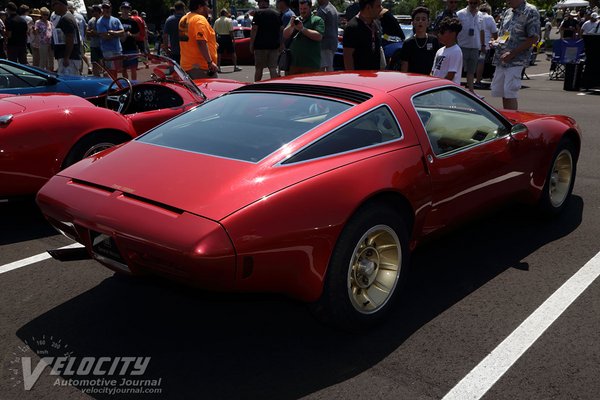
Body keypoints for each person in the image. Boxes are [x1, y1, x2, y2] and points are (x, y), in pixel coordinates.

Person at [490, 0, 539, 110]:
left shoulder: (530, 11)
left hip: (516, 60)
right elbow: (504, 34)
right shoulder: (508, 12)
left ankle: (513, 123)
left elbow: (534, 37)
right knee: (502, 92)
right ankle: (508, 119)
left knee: (510, 92)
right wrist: (496, 42)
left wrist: (512, 53)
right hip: (502, 58)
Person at [178, 0, 218, 78]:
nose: (208, 9)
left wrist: (212, 45)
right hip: (201, 67)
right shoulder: (200, 19)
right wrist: (209, 62)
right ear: (200, 7)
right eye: (207, 6)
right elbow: (201, 42)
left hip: (186, 66)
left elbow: (187, 41)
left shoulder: (183, 20)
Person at [283, 0, 324, 75]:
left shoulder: (317, 20)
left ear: (310, 8)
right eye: (300, 9)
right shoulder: (296, 19)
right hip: (294, 63)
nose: (302, 11)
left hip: (311, 64)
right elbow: (285, 35)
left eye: (305, 9)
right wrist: (291, 26)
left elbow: (319, 36)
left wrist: (302, 29)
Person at [343, 0, 383, 70]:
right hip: (359, 77)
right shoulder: (352, 27)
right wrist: (352, 77)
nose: (381, 9)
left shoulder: (377, 24)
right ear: (368, 7)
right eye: (378, 6)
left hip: (375, 76)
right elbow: (348, 56)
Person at [400, 6, 440, 75]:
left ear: (428, 22)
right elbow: (404, 66)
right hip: (413, 80)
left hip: (430, 79)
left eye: (423, 19)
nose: (420, 21)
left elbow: (437, 64)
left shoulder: (434, 40)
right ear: (413, 23)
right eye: (417, 19)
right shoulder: (408, 43)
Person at [457, 0, 484, 92]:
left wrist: (483, 44)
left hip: (475, 47)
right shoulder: (460, 14)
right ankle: (456, 89)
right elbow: (455, 30)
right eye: (470, 3)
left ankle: (471, 90)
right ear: (468, 2)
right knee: (458, 70)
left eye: (475, 3)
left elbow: (482, 31)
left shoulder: (481, 15)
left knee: (471, 71)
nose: (472, 5)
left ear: (478, 3)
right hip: (462, 46)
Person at [250, 0, 281, 81]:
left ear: (261, 3)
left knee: (259, 68)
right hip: (274, 46)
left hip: (260, 46)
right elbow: (281, 29)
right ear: (268, 3)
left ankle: (256, 87)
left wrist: (251, 44)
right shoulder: (276, 13)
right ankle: (275, 87)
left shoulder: (258, 13)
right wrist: (281, 44)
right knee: (273, 68)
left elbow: (254, 29)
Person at [51, 0, 81, 75]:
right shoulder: (66, 17)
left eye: (54, 4)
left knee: (68, 83)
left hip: (69, 59)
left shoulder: (66, 19)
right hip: (69, 57)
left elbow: (70, 38)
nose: (52, 7)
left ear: (62, 4)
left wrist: (66, 57)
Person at [96, 1, 125, 78]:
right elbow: (105, 36)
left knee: (118, 69)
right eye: (104, 8)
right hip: (107, 50)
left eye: (108, 7)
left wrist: (112, 32)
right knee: (110, 70)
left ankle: (116, 85)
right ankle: (111, 86)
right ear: (102, 9)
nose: (106, 9)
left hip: (117, 48)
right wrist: (117, 34)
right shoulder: (100, 22)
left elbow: (122, 32)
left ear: (111, 8)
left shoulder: (116, 20)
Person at [431, 17, 463, 85]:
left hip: (447, 90)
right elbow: (433, 71)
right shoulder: (439, 51)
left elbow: (450, 75)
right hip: (437, 88)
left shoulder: (456, 51)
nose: (439, 34)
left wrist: (438, 86)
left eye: (442, 32)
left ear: (453, 33)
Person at [475, 2, 497, 87]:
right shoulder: (489, 18)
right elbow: (494, 32)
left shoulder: (476, 16)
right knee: (481, 62)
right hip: (484, 45)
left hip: (474, 43)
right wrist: (494, 39)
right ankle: (478, 80)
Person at [118, 2, 140, 80]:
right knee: (123, 68)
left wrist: (131, 34)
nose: (125, 10)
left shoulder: (133, 21)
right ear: (121, 9)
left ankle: (134, 84)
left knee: (133, 68)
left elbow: (138, 33)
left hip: (132, 47)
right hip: (121, 48)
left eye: (127, 9)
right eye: (124, 8)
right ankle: (126, 85)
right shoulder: (118, 21)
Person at [316, 0, 338, 71]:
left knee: (322, 69)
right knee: (329, 67)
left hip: (324, 44)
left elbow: (318, 29)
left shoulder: (322, 10)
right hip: (332, 43)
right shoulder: (333, 8)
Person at [86, 4, 103, 76]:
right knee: (94, 63)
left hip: (102, 45)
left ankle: (105, 78)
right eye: (92, 11)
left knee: (103, 63)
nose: (92, 13)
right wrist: (92, 33)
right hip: (93, 45)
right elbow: (87, 31)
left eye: (93, 11)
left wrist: (95, 32)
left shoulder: (103, 20)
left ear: (98, 12)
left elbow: (103, 33)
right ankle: (97, 77)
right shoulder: (91, 21)